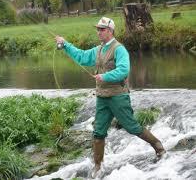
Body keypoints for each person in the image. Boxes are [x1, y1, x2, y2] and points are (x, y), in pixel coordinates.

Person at [55, 17, 166, 177]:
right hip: (102, 98)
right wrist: (65, 44)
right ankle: (98, 167)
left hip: (118, 97)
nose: (98, 32)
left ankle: (159, 147)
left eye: (102, 29)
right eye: (98, 29)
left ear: (110, 31)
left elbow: (123, 70)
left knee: (132, 127)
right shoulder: (98, 50)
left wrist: (104, 76)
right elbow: (81, 56)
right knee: (98, 132)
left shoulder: (119, 49)